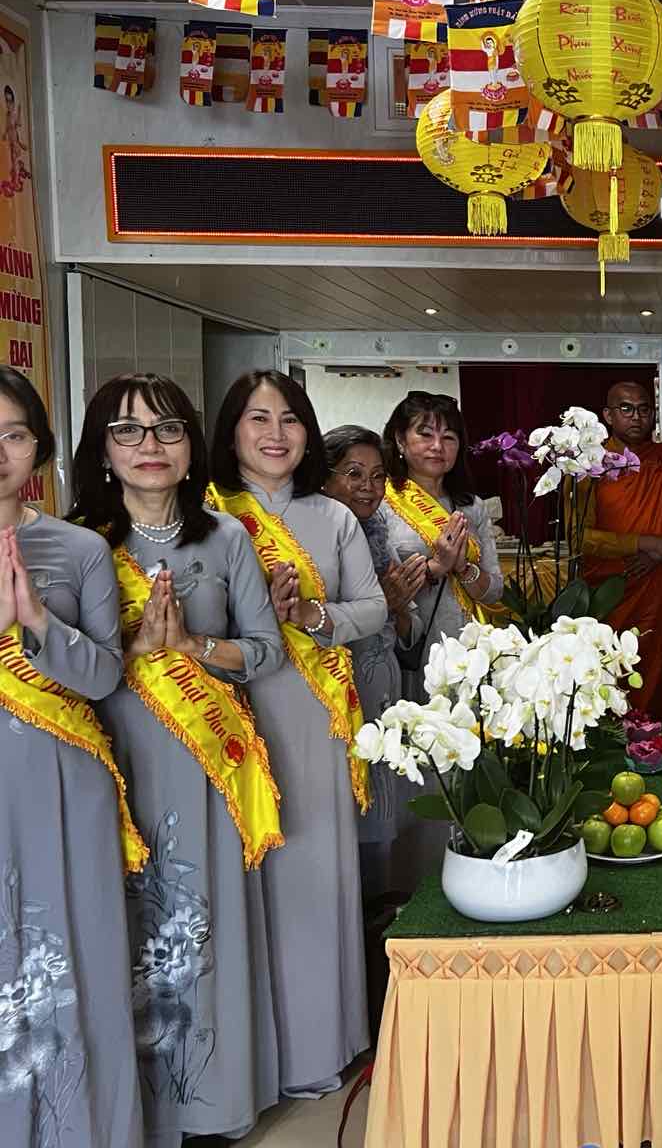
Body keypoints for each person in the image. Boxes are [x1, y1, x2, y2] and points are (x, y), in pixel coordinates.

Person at [69, 372, 285, 1147]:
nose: (149, 446)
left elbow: (265, 650)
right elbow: (52, 668)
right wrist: (132, 649)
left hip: (205, 766)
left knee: (201, 921)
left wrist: (193, 644)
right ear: (101, 450)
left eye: (167, 429)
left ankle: (211, 1103)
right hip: (111, 763)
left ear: (192, 447)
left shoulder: (226, 538)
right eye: (126, 431)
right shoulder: (76, 544)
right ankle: (133, 1111)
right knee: (125, 922)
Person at [211, 370, 386, 1098]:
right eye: (258, 418)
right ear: (231, 432)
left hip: (313, 715)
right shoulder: (204, 513)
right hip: (226, 715)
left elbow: (372, 608)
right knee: (243, 881)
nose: (276, 434)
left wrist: (313, 617)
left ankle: (322, 1047)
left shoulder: (333, 516)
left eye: (289, 419)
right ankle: (247, 1064)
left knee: (315, 873)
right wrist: (251, 617)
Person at [0, 368, 141, 1148]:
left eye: (14, 435)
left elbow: (105, 675)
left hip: (63, 776)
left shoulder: (81, 548)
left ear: (41, 450)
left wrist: (36, 624)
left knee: (76, 949)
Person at [322, 424, 434, 899]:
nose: (368, 487)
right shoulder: (313, 540)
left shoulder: (378, 535)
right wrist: (379, 606)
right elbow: (312, 628)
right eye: (353, 474)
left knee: (384, 808)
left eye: (377, 476)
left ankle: (382, 906)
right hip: (340, 695)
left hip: (385, 690)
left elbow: (407, 632)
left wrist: (399, 609)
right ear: (325, 477)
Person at [571, 382, 662, 716]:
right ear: (608, 415)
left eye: (644, 409)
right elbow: (579, 537)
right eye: (626, 408)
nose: (636, 416)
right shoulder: (589, 467)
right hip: (614, 591)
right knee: (615, 673)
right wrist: (641, 543)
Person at [377, 391, 503, 694]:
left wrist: (463, 568)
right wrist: (436, 566)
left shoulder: (471, 506)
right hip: (413, 647)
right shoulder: (381, 502)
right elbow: (377, 591)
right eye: (425, 434)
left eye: (448, 437)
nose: (437, 446)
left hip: (469, 647)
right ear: (400, 440)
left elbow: (494, 591)